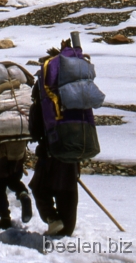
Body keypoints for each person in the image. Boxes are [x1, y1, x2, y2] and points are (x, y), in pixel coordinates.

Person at [28, 36, 102, 237]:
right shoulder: (76, 85)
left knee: (39, 187)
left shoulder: (45, 88)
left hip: (52, 146)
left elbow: (37, 119)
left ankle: (53, 220)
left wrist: (35, 134)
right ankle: (66, 231)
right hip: (78, 140)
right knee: (68, 190)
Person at [0, 62, 34, 230]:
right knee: (14, 175)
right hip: (21, 137)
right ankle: (22, 193)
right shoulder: (21, 95)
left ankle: (4, 216)